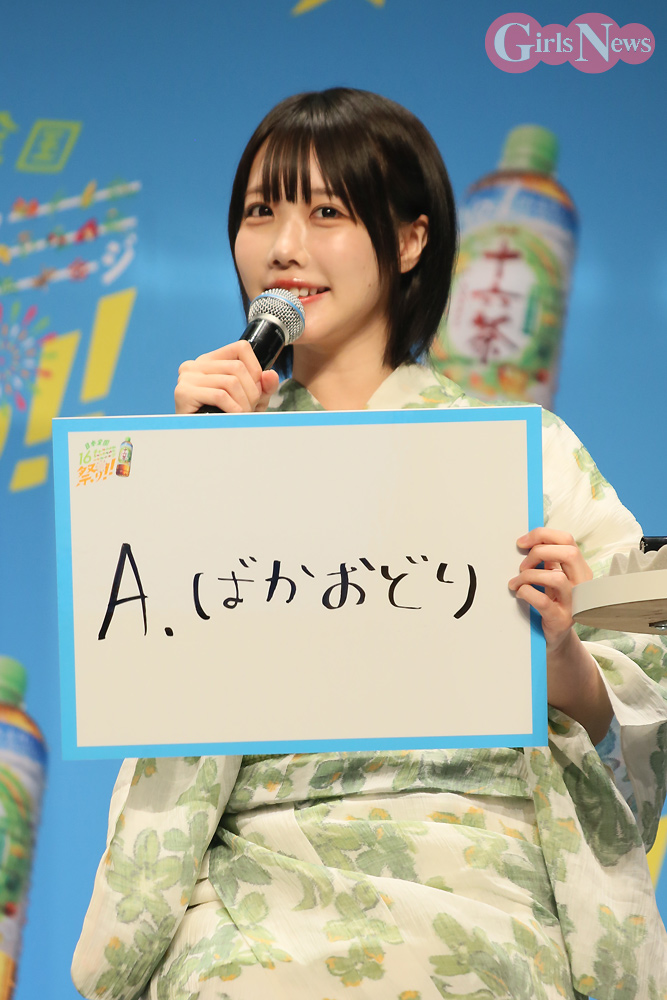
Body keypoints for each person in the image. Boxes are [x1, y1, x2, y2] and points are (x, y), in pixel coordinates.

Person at [72, 89, 667, 1000]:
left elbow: (644, 684)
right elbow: (148, 700)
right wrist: (185, 475)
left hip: (483, 869)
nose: (284, 247)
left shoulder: (526, 452)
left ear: (410, 239)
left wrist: (564, 662)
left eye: (326, 213)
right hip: (253, 876)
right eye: (260, 212)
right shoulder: (205, 442)